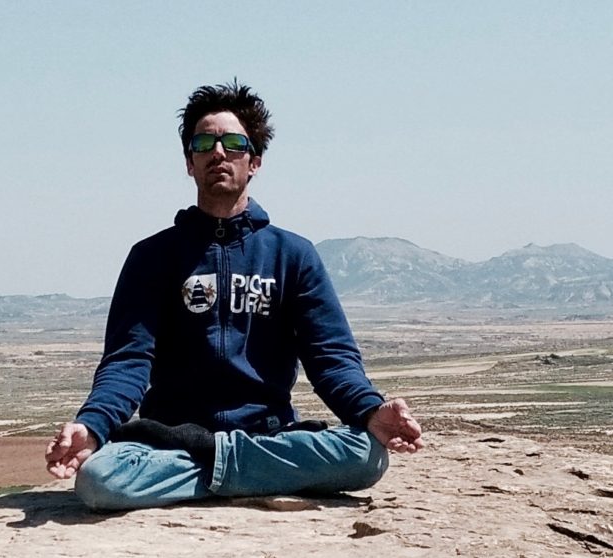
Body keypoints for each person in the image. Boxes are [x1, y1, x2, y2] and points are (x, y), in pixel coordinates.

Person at [44, 81, 423, 511]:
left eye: (234, 143)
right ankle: (249, 475)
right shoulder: (152, 257)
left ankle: (214, 475)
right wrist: (92, 426)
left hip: (267, 432)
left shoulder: (292, 255)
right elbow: (128, 362)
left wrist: (370, 410)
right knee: (99, 480)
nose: (218, 153)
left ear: (255, 161)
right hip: (172, 440)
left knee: (366, 455)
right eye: (203, 142)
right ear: (189, 162)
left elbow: (331, 357)